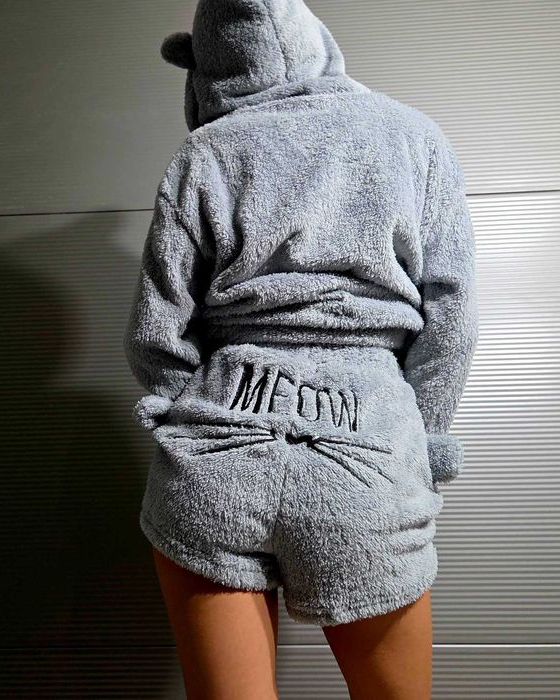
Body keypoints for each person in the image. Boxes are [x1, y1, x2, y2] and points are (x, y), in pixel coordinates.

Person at [123, 0, 479, 697]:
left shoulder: (204, 152)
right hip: (367, 458)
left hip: (214, 459)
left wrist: (176, 405)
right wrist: (427, 437)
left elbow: (156, 327)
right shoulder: (413, 136)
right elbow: (451, 314)